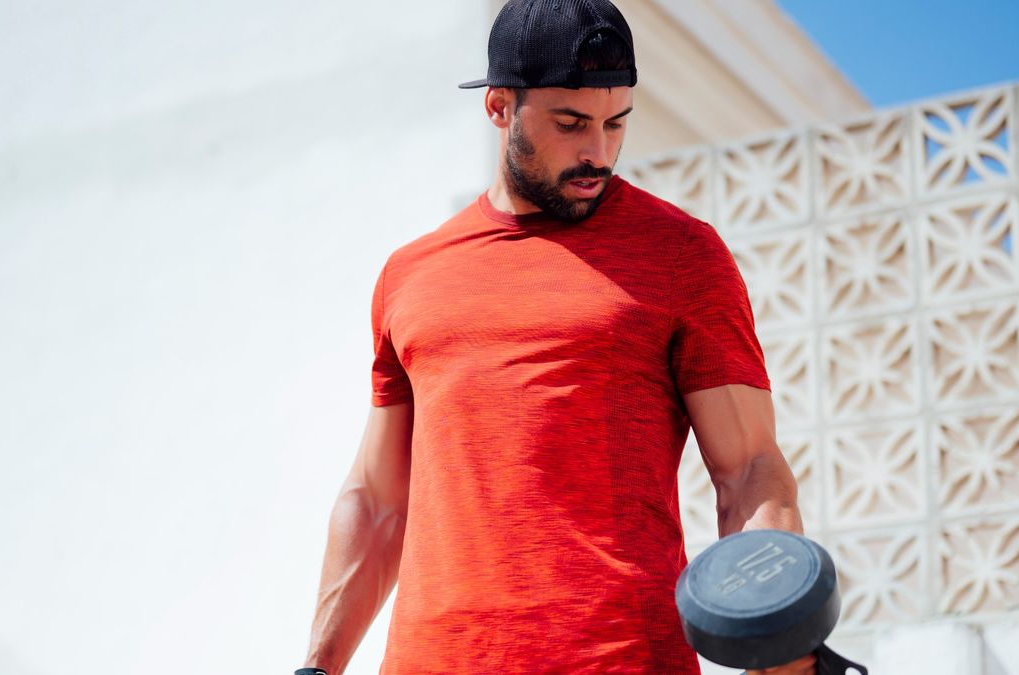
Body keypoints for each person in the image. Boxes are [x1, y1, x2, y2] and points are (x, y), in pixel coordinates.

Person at [299, 1, 814, 673]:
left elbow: (748, 470)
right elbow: (377, 500)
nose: (598, 151)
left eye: (616, 122)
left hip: (621, 658)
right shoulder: (411, 275)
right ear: (499, 107)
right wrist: (316, 664)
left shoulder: (683, 255)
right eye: (571, 123)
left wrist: (782, 652)